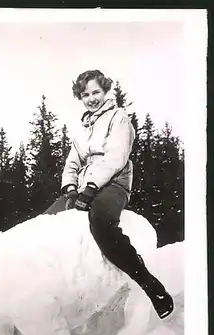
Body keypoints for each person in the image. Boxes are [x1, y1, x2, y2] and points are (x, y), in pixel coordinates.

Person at [45, 69, 174, 319]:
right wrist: (70, 189)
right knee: (45, 222)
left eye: (96, 92)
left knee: (101, 223)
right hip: (85, 186)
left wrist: (92, 188)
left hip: (114, 184)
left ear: (105, 92)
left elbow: (116, 158)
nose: (91, 98)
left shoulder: (119, 118)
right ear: (80, 97)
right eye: (86, 94)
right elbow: (72, 162)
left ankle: (151, 285)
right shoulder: (83, 128)